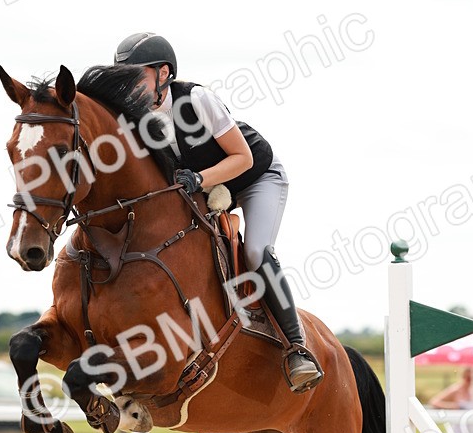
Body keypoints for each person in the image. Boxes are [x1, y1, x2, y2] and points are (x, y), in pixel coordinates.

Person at [112, 32, 323, 392]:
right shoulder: (136, 119)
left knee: (256, 250)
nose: (129, 87)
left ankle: (297, 347)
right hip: (206, 189)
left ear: (164, 74)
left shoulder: (195, 99)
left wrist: (199, 178)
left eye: (137, 76)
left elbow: (244, 158)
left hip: (256, 177)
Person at [427, 366, 473, 433]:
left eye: (472, 378)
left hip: (472, 432)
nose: (470, 381)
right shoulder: (455, 390)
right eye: (468, 378)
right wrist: (453, 406)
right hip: (458, 432)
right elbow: (434, 402)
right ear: (463, 377)